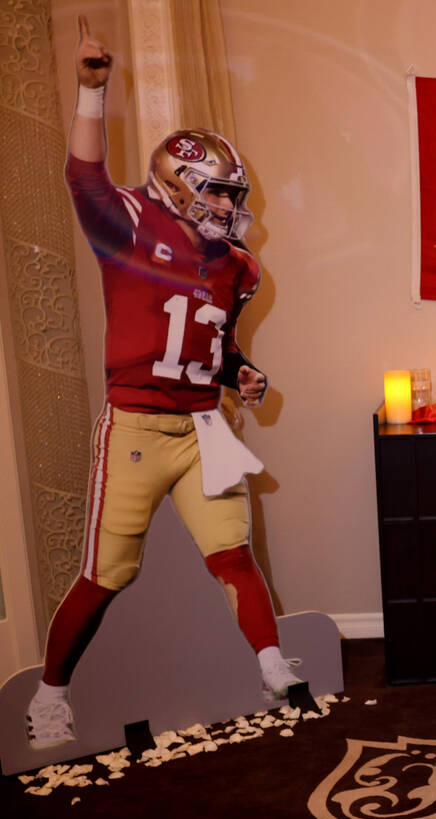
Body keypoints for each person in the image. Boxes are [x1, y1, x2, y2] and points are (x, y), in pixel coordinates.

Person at [24, 17, 300, 750]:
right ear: (177, 186)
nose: (225, 207)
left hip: (204, 420)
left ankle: (273, 665)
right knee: (104, 572)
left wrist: (241, 371)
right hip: (139, 423)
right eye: (214, 194)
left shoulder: (237, 266)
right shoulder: (130, 223)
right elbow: (83, 176)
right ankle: (50, 695)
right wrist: (92, 89)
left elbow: (217, 340)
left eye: (230, 195)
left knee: (232, 553)